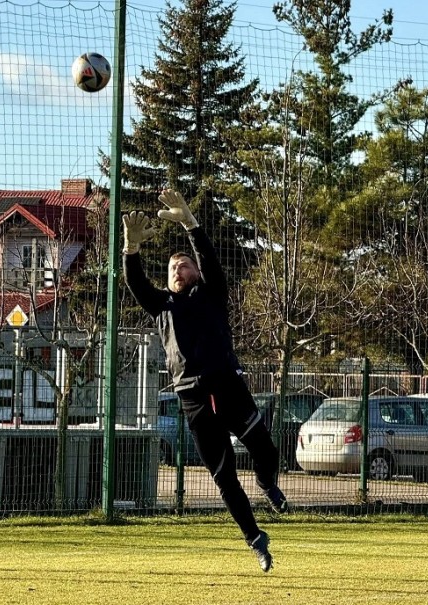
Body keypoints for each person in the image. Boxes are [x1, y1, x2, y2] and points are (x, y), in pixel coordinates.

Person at [122, 189, 288, 573]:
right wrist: (131, 249)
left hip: (228, 386)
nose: (176, 270)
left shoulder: (212, 294)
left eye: (182, 265)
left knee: (267, 453)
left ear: (195, 271)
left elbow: (211, 262)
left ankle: (267, 482)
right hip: (193, 399)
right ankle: (256, 539)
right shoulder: (162, 306)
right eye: (171, 268)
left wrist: (190, 224)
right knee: (224, 475)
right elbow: (137, 285)